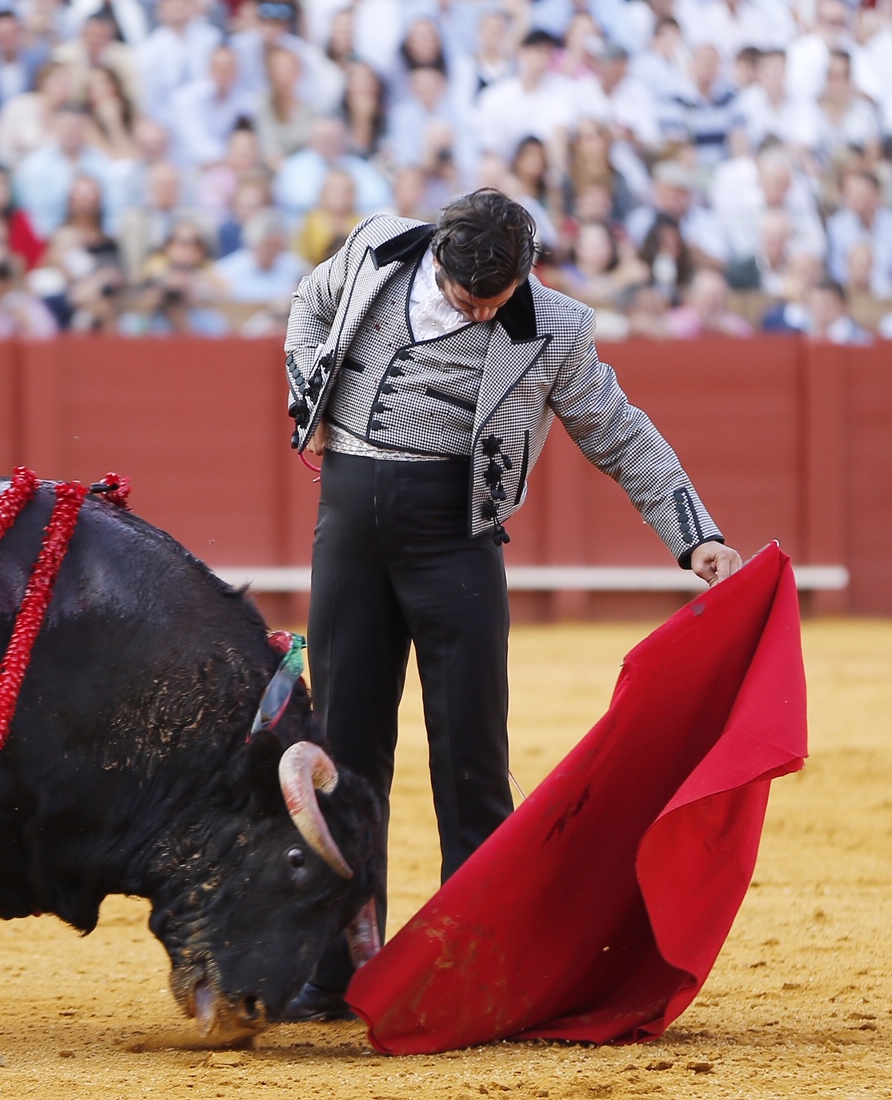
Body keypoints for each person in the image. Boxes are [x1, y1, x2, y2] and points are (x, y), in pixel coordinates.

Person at [280, 189, 742, 1021]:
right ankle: (334, 972)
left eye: (499, 298)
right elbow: (307, 311)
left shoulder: (556, 326)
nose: (483, 311)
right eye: (469, 297)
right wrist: (306, 396)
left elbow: (619, 431)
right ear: (439, 256)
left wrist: (694, 534)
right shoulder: (377, 249)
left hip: (457, 540)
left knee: (471, 755)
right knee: (344, 749)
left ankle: (473, 968)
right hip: (348, 531)